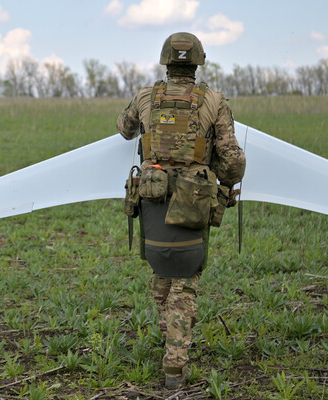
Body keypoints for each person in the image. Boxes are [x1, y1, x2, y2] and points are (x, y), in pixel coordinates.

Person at [116, 32, 246, 389]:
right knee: (185, 281)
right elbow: (233, 160)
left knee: (161, 272)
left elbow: (125, 129)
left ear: (166, 61)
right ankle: (175, 364)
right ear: (198, 63)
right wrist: (223, 183)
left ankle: (171, 338)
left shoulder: (145, 97)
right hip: (193, 199)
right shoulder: (214, 101)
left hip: (152, 194)